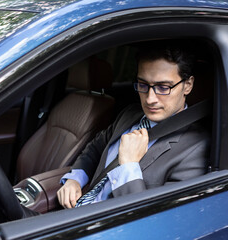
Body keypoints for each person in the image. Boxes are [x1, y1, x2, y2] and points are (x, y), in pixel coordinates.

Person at [57, 42, 210, 209]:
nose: (150, 99)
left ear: (187, 85)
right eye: (143, 85)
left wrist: (129, 165)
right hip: (75, 211)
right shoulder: (130, 114)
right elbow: (95, 147)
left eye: (163, 87)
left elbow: (157, 221)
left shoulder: (196, 149)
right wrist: (75, 179)